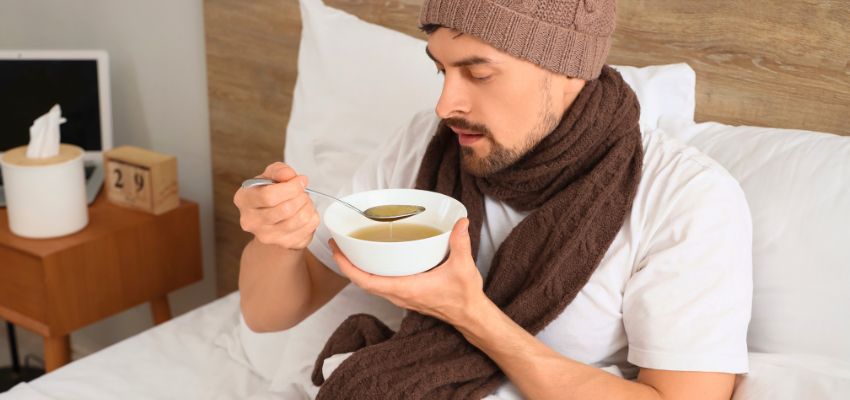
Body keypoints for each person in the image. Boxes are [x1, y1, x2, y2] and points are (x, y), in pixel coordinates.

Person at [234, 0, 753, 398]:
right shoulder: (422, 148)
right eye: (441, 69)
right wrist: (278, 236)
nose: (445, 104)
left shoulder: (684, 199)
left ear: (569, 67)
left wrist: (469, 313)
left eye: (478, 73)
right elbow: (268, 313)